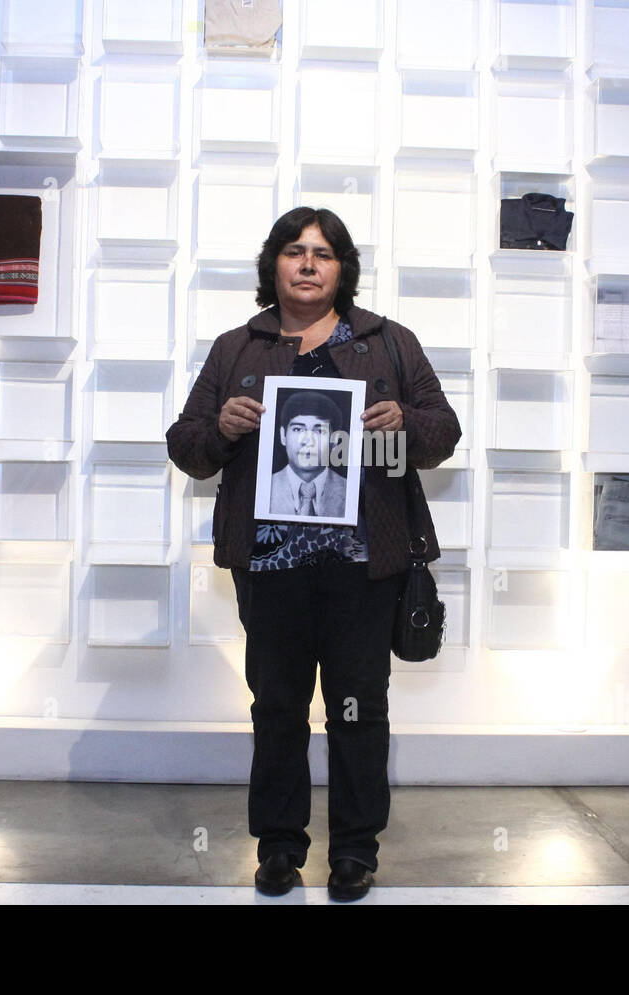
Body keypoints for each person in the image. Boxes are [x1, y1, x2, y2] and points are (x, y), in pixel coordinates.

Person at [166, 206, 461, 901]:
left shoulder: (388, 342)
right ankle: (278, 846)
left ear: (342, 268)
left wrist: (404, 422)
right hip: (268, 566)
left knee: (359, 706)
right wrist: (221, 426)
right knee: (277, 706)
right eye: (295, 251)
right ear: (274, 264)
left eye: (323, 253)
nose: (308, 263)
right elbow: (185, 445)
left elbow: (443, 431)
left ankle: (356, 850)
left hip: (365, 566)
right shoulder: (239, 347)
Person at [268, 390, 348, 518]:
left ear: (334, 441)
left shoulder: (350, 491)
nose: (308, 441)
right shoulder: (264, 488)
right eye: (298, 429)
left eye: (319, 430)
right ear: (283, 435)